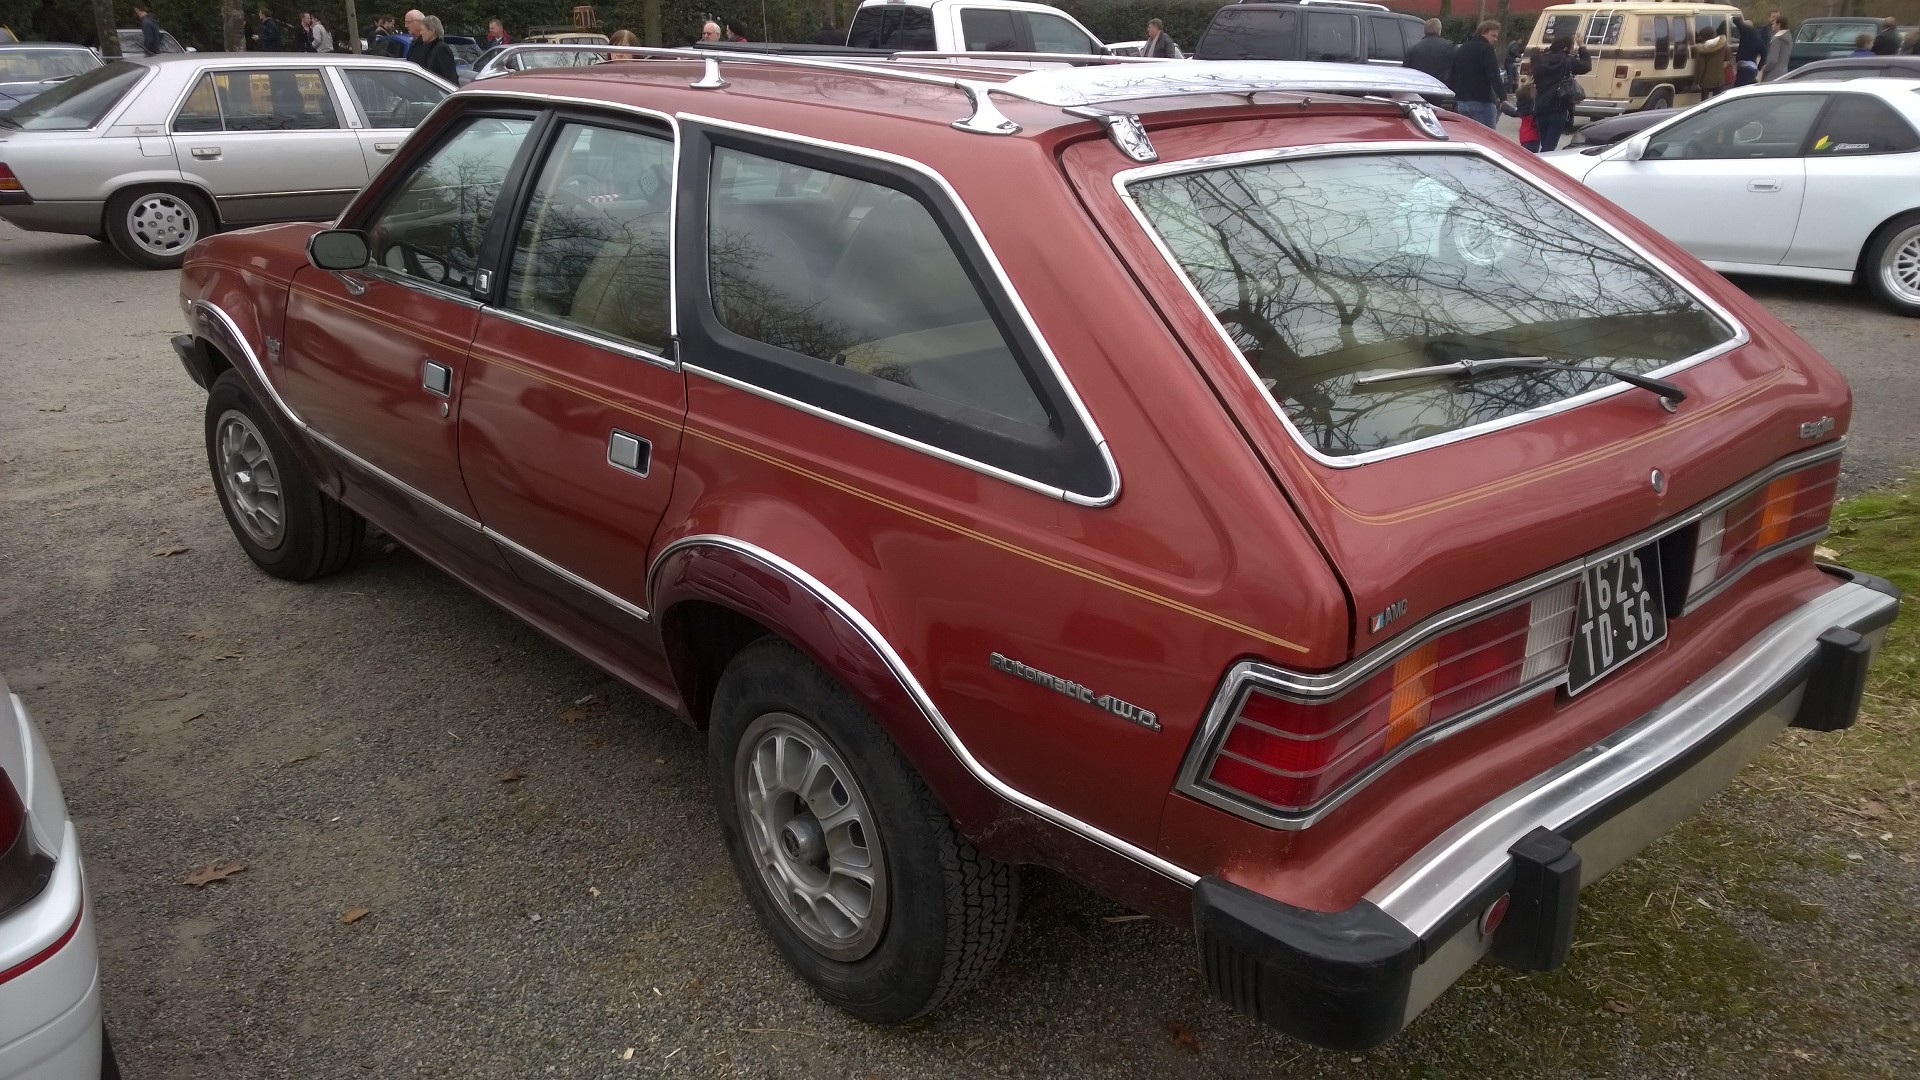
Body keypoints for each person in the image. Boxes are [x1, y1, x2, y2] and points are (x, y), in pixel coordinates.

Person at [1532, 36, 1591, 152]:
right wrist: (1582, 46)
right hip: (1559, 106)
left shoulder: (1540, 59)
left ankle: (1541, 160)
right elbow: (1586, 66)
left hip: (1540, 106)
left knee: (1544, 142)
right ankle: (1544, 164)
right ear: (1565, 48)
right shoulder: (1567, 60)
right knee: (1550, 145)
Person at [1448, 20, 1506, 129]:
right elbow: (1494, 75)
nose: (1495, 39)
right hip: (1482, 101)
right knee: (1487, 138)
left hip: (1462, 102)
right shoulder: (1487, 49)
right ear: (1483, 33)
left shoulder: (1462, 49)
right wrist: (1503, 97)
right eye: (1493, 35)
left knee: (1468, 137)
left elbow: (1453, 73)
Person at [405, 11, 458, 83]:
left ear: (432, 31)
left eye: (423, 30)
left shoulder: (441, 48)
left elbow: (450, 77)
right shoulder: (428, 47)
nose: (421, 33)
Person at [1405, 18, 1454, 86]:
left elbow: (1406, 71)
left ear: (1425, 30)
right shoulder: (1450, 47)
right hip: (1441, 88)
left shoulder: (1414, 48)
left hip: (1419, 88)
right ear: (1439, 30)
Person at [1694, 25, 1728, 98]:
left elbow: (1700, 67)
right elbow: (1728, 57)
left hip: (1705, 81)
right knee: (1716, 101)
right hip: (1719, 80)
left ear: (1704, 37)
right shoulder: (1723, 45)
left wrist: (1697, 81)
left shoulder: (1703, 50)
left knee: (1704, 102)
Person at [1761, 14, 1793, 82]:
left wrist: (1764, 68)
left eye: (1774, 24)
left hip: (1773, 75)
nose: (1772, 26)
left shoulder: (1777, 39)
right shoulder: (1788, 37)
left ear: (1779, 25)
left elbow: (1772, 60)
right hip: (1784, 73)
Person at [1732, 14, 1762, 86]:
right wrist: (1759, 67)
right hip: (1753, 67)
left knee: (1740, 87)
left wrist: (1734, 17)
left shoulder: (1745, 35)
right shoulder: (1759, 38)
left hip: (1743, 68)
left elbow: (1736, 21)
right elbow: (1764, 53)